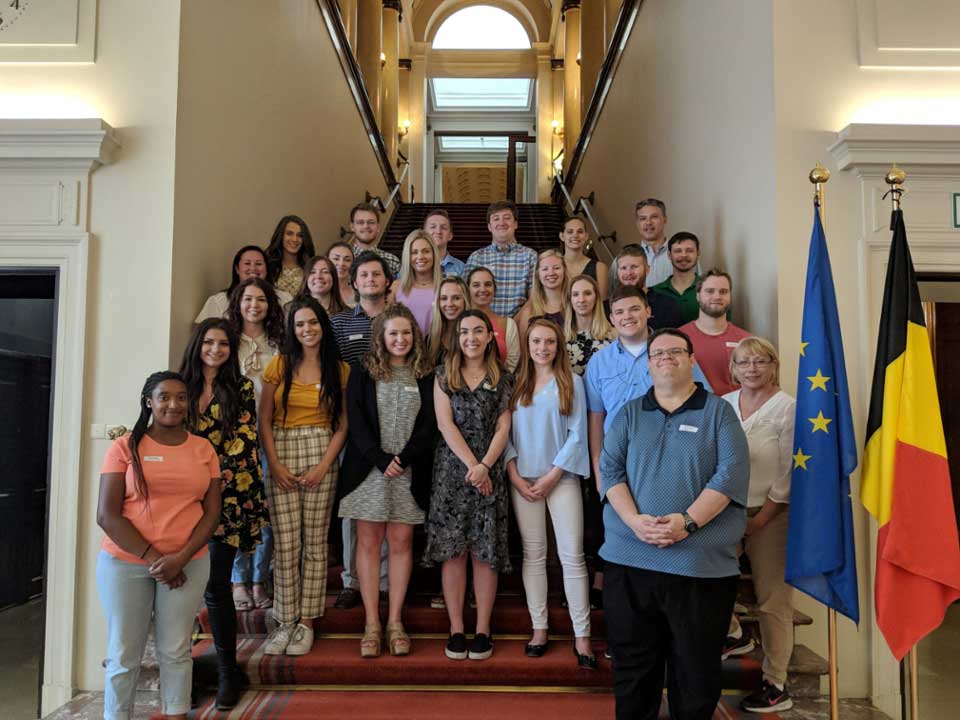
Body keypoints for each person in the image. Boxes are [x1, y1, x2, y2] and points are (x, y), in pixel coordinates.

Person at [600, 328, 750, 720]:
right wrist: (633, 521)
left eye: (674, 351)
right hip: (630, 562)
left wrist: (687, 522)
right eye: (656, 354)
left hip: (699, 568)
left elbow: (730, 474)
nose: (665, 358)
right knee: (633, 670)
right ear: (648, 365)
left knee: (695, 673)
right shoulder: (630, 413)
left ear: (690, 359)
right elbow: (610, 470)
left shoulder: (719, 412)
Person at [96, 371, 221, 720]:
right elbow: (107, 515)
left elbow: (212, 513)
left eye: (181, 397)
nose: (173, 404)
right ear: (148, 402)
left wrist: (179, 559)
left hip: (188, 562)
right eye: (164, 396)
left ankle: (177, 713)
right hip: (125, 563)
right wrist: (156, 559)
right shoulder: (124, 447)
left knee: (176, 649)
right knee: (124, 653)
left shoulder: (203, 448)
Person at [178, 319, 268, 710]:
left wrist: (205, 478)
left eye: (224, 344)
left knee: (216, 588)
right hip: (179, 501)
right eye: (210, 342)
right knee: (179, 590)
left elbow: (244, 443)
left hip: (228, 500)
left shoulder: (243, 388)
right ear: (198, 344)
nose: (216, 350)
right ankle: (184, 672)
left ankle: (229, 673)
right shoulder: (176, 388)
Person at [339, 304, 436, 657]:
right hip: (369, 470)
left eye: (406, 333)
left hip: (409, 471)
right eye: (393, 333)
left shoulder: (425, 371)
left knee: (401, 541)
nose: (400, 339)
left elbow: (430, 423)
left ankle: (394, 621)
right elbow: (357, 421)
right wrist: (381, 460)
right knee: (368, 543)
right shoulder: (364, 372)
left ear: (415, 336)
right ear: (381, 336)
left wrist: (404, 458)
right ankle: (371, 622)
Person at [259, 298, 350, 656]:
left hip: (320, 449)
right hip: (281, 448)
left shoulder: (338, 369)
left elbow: (343, 424)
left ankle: (307, 622)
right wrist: (275, 464)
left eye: (312, 323)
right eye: (299, 325)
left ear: (322, 326)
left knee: (314, 545)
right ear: (291, 329)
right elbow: (264, 419)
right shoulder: (278, 365)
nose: (307, 330)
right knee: (285, 544)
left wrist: (324, 465)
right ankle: (284, 619)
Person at [505, 318, 595, 668]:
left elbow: (577, 434)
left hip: (562, 478)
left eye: (550, 342)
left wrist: (554, 474)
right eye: (536, 342)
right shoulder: (516, 383)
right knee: (534, 554)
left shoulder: (570, 382)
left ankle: (582, 635)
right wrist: (513, 473)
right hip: (523, 480)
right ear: (527, 347)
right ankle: (539, 628)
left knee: (572, 555)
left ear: (559, 347)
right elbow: (505, 433)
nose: (542, 348)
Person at [423, 310, 513, 662]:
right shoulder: (444, 375)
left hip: (490, 470)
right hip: (453, 471)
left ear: (490, 336)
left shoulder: (503, 377)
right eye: (464, 332)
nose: (471, 338)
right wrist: (472, 466)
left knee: (484, 552)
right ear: (456, 337)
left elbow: (504, 427)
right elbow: (445, 425)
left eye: (478, 331)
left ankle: (483, 629)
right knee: (454, 550)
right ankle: (456, 627)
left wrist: (486, 465)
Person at [723, 337, 796, 713]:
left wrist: (764, 516)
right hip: (725, 510)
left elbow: (788, 470)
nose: (751, 368)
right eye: (744, 362)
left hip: (773, 513)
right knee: (708, 579)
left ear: (773, 365)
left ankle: (776, 682)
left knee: (771, 601)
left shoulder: (788, 408)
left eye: (760, 361)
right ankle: (733, 631)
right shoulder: (724, 405)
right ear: (733, 368)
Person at [330, 250, 393, 608]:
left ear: (387, 281)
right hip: (352, 427)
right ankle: (352, 581)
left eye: (376, 275)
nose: (370, 280)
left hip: (394, 423)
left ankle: (383, 580)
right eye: (364, 276)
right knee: (354, 506)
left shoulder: (400, 319)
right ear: (353, 283)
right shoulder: (339, 324)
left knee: (388, 502)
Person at [225, 278, 283, 612]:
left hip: (271, 433)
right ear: (238, 302)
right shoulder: (228, 340)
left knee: (266, 513)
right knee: (237, 510)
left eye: (261, 299)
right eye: (248, 299)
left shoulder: (278, 343)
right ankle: (237, 580)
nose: (254, 305)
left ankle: (260, 580)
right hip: (235, 436)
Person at [680, 268, 751, 397]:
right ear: (698, 295)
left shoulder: (745, 340)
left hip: (734, 413)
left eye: (723, 292)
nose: (717, 296)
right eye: (710, 291)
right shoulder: (678, 338)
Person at [464, 200, 538, 317]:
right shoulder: (476, 258)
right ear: (489, 226)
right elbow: (467, 297)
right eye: (496, 218)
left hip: (519, 323)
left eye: (507, 218)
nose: (502, 222)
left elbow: (535, 298)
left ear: (516, 224)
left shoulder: (530, 256)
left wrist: (511, 325)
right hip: (483, 324)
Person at [195, 246, 293, 322]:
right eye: (247, 263)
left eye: (258, 264)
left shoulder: (285, 299)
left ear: (266, 269)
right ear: (237, 269)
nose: (253, 268)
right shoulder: (218, 301)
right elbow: (201, 335)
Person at [607, 245, 684, 331]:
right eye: (623, 268)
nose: (628, 273)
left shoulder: (667, 304)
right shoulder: (608, 307)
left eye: (634, 267)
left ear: (647, 270)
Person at [467, 266, 520, 372]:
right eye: (476, 285)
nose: (483, 289)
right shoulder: (459, 322)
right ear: (468, 289)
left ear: (494, 289)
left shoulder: (508, 324)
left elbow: (513, 363)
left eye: (488, 284)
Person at [391, 229, 442, 335]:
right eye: (414, 252)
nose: (420, 257)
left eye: (426, 251)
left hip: (439, 349)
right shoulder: (395, 287)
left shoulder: (445, 287)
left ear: (434, 253)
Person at [565, 274, 615, 376]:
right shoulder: (561, 338)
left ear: (596, 297)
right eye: (575, 294)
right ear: (570, 300)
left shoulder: (614, 335)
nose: (581, 299)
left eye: (587, 293)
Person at [515, 249, 570, 337]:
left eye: (556, 268)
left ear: (564, 270)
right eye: (545, 269)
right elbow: (524, 349)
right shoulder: (529, 313)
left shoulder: (576, 306)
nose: (551, 273)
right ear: (538, 274)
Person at [650, 231, 702, 324]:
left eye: (689, 250)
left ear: (698, 253)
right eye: (678, 251)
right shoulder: (654, 292)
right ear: (669, 255)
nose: (683, 255)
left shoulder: (709, 290)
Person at [265, 215, 316, 297]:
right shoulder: (267, 265)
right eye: (289, 234)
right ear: (281, 236)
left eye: (299, 235)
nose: (295, 239)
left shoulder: (311, 267)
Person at [559, 216, 608, 299]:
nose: (575, 235)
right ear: (562, 236)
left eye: (580, 231)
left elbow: (600, 304)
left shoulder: (600, 268)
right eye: (570, 232)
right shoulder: (553, 267)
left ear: (586, 236)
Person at [427, 276, 471, 365]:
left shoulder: (475, 337)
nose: (449, 304)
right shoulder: (429, 340)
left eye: (456, 298)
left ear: (465, 301)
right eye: (444, 298)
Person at [349, 202, 401, 277]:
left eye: (371, 222)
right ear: (352, 227)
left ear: (378, 227)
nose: (366, 226)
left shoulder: (392, 261)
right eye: (360, 222)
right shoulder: (343, 261)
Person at [634, 198, 673, 287]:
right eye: (643, 218)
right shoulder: (626, 258)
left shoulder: (682, 255)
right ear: (637, 223)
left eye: (654, 217)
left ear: (665, 220)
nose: (648, 222)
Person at [424, 208, 465, 277]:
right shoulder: (414, 264)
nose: (438, 231)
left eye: (444, 228)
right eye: (433, 227)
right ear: (424, 234)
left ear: (450, 235)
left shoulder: (461, 268)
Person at [328, 241, 357, 309]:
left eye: (347, 260)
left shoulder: (360, 293)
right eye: (336, 259)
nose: (341, 264)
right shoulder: (318, 292)